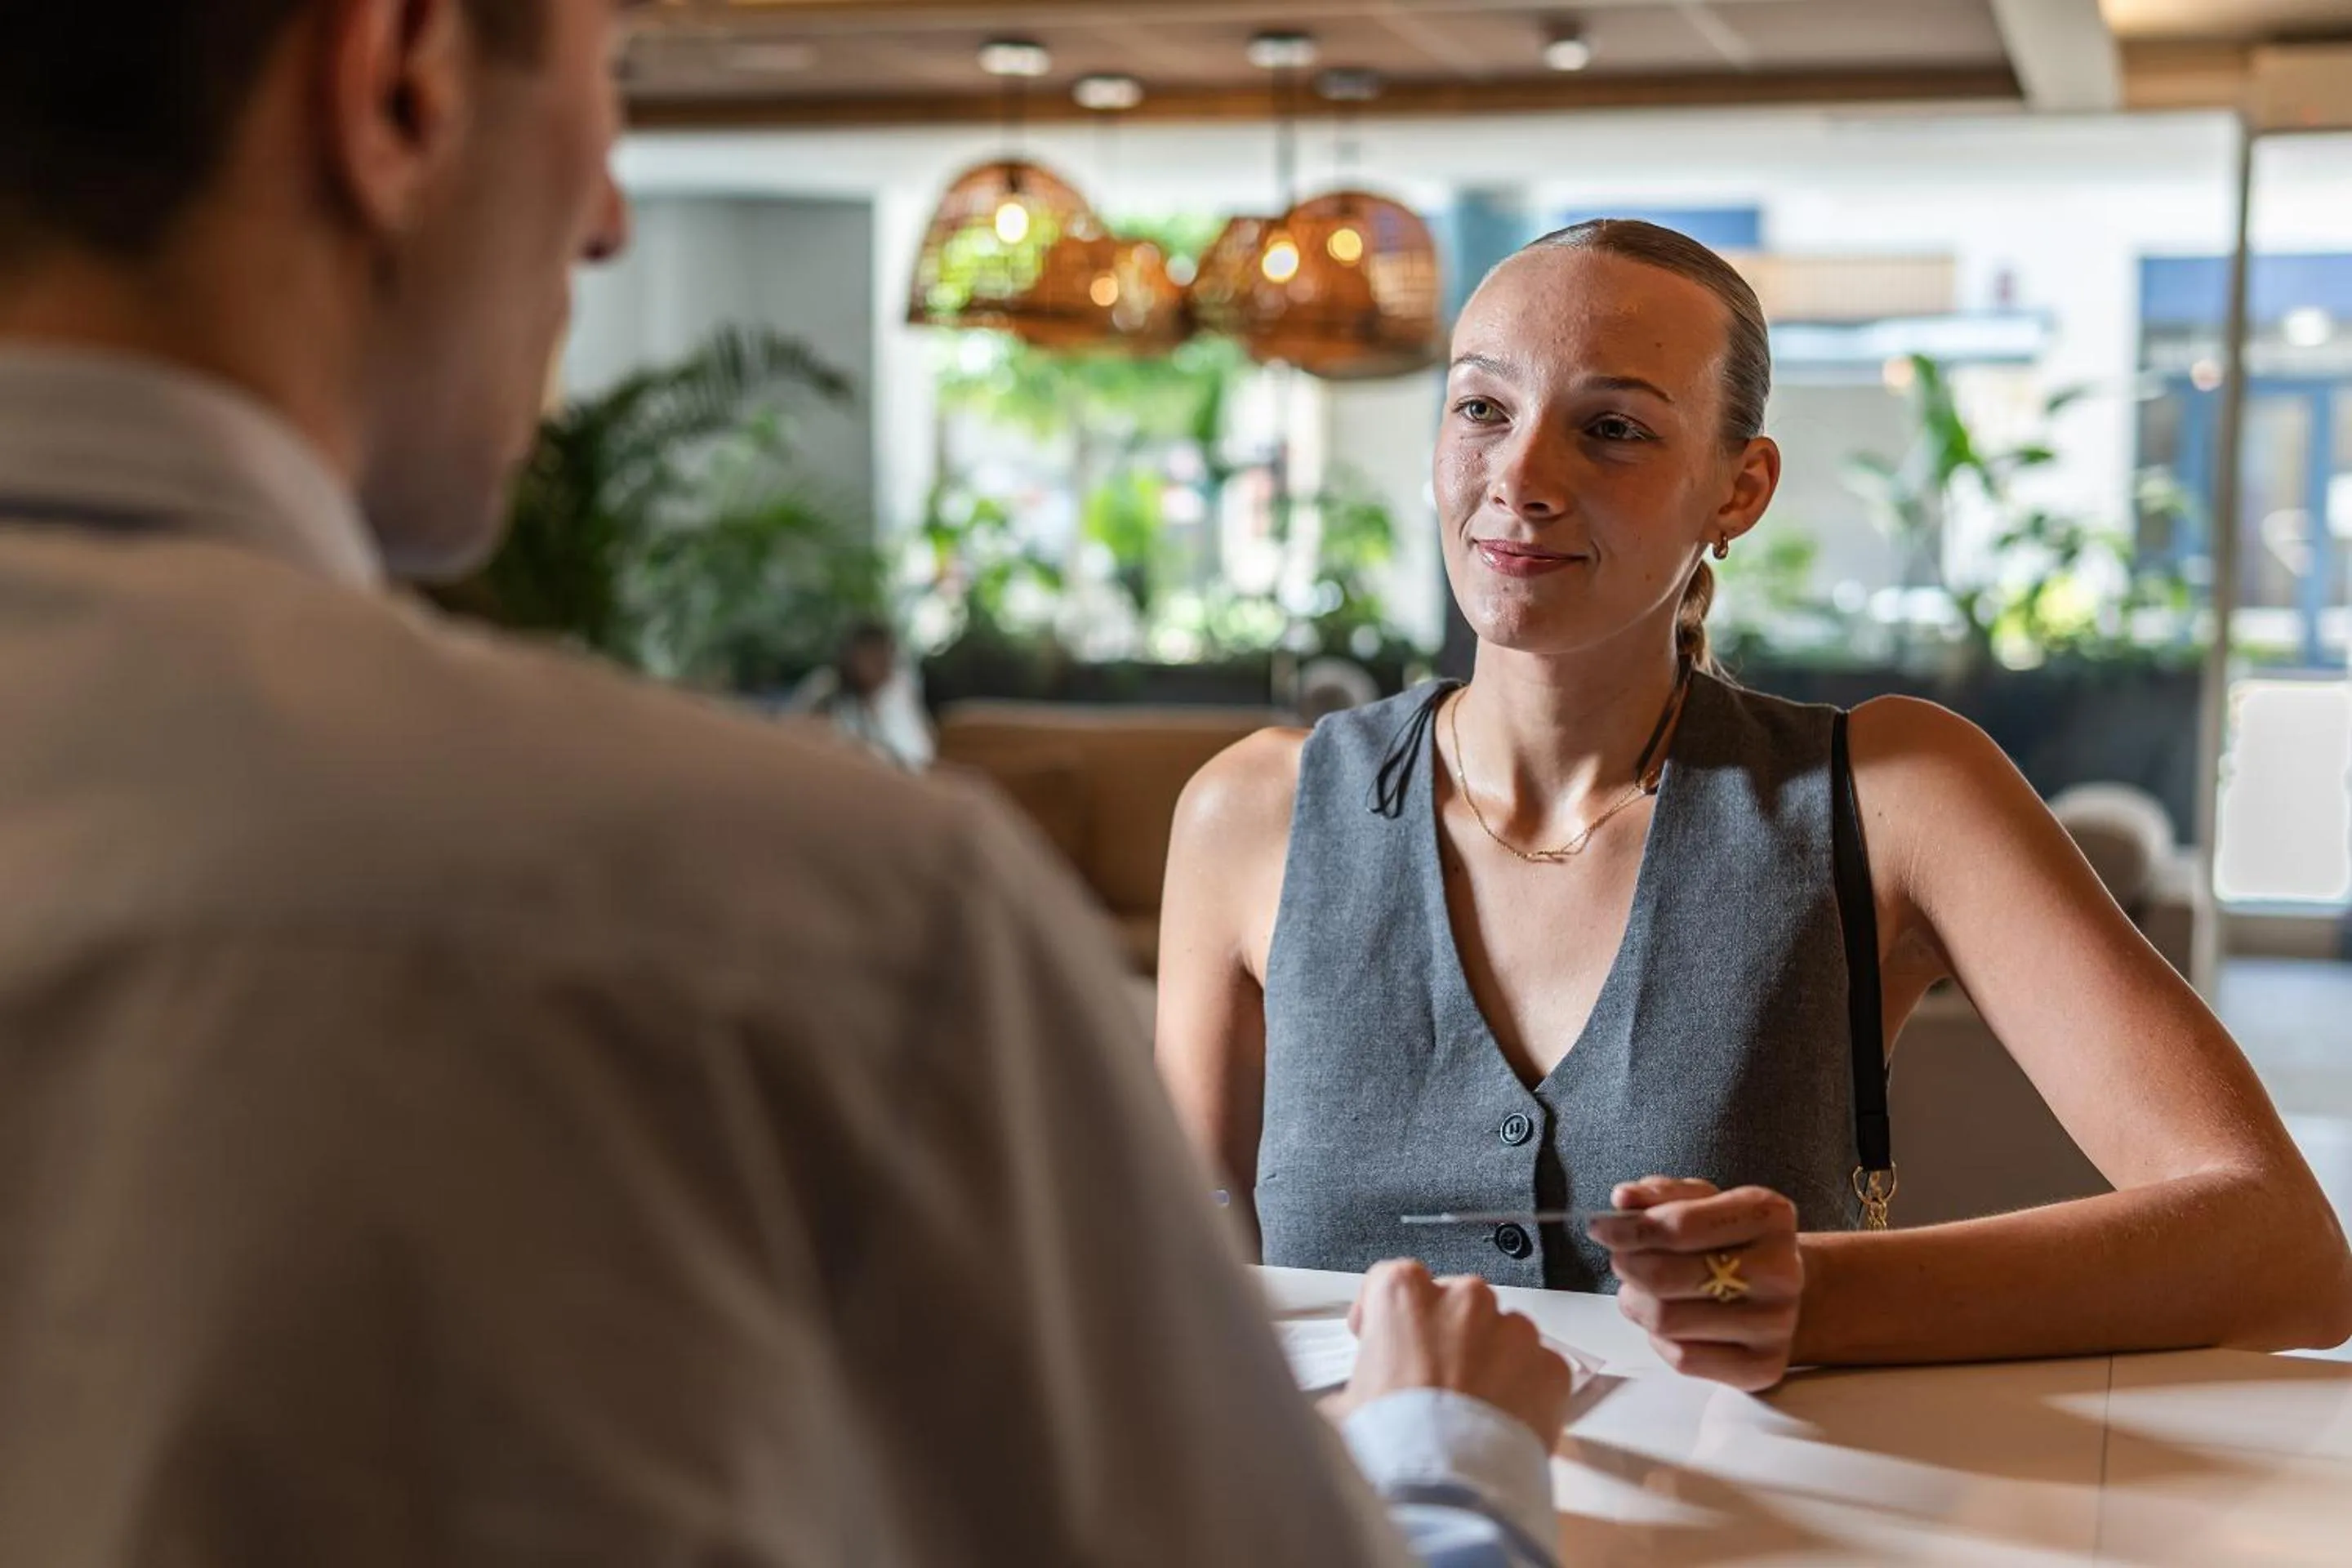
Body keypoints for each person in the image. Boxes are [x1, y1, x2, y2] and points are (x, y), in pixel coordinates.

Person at [0, 3, 1578, 1564]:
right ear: (399, 81)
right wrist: (1452, 1466)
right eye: (603, 86)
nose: (609, 217)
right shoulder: (816, 919)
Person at [1157, 218, 2352, 1394]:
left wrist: (1821, 1296)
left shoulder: (1892, 796)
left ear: (1741, 489)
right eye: (1482, 409)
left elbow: (2280, 1246)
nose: (1519, 477)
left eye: (1613, 428)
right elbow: (1174, 1276)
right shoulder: (1252, 814)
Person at [789, 618, 937, 771]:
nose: (882, 669)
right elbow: (796, 732)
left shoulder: (898, 695)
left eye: (885, 661)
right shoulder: (825, 688)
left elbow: (920, 756)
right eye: (873, 659)